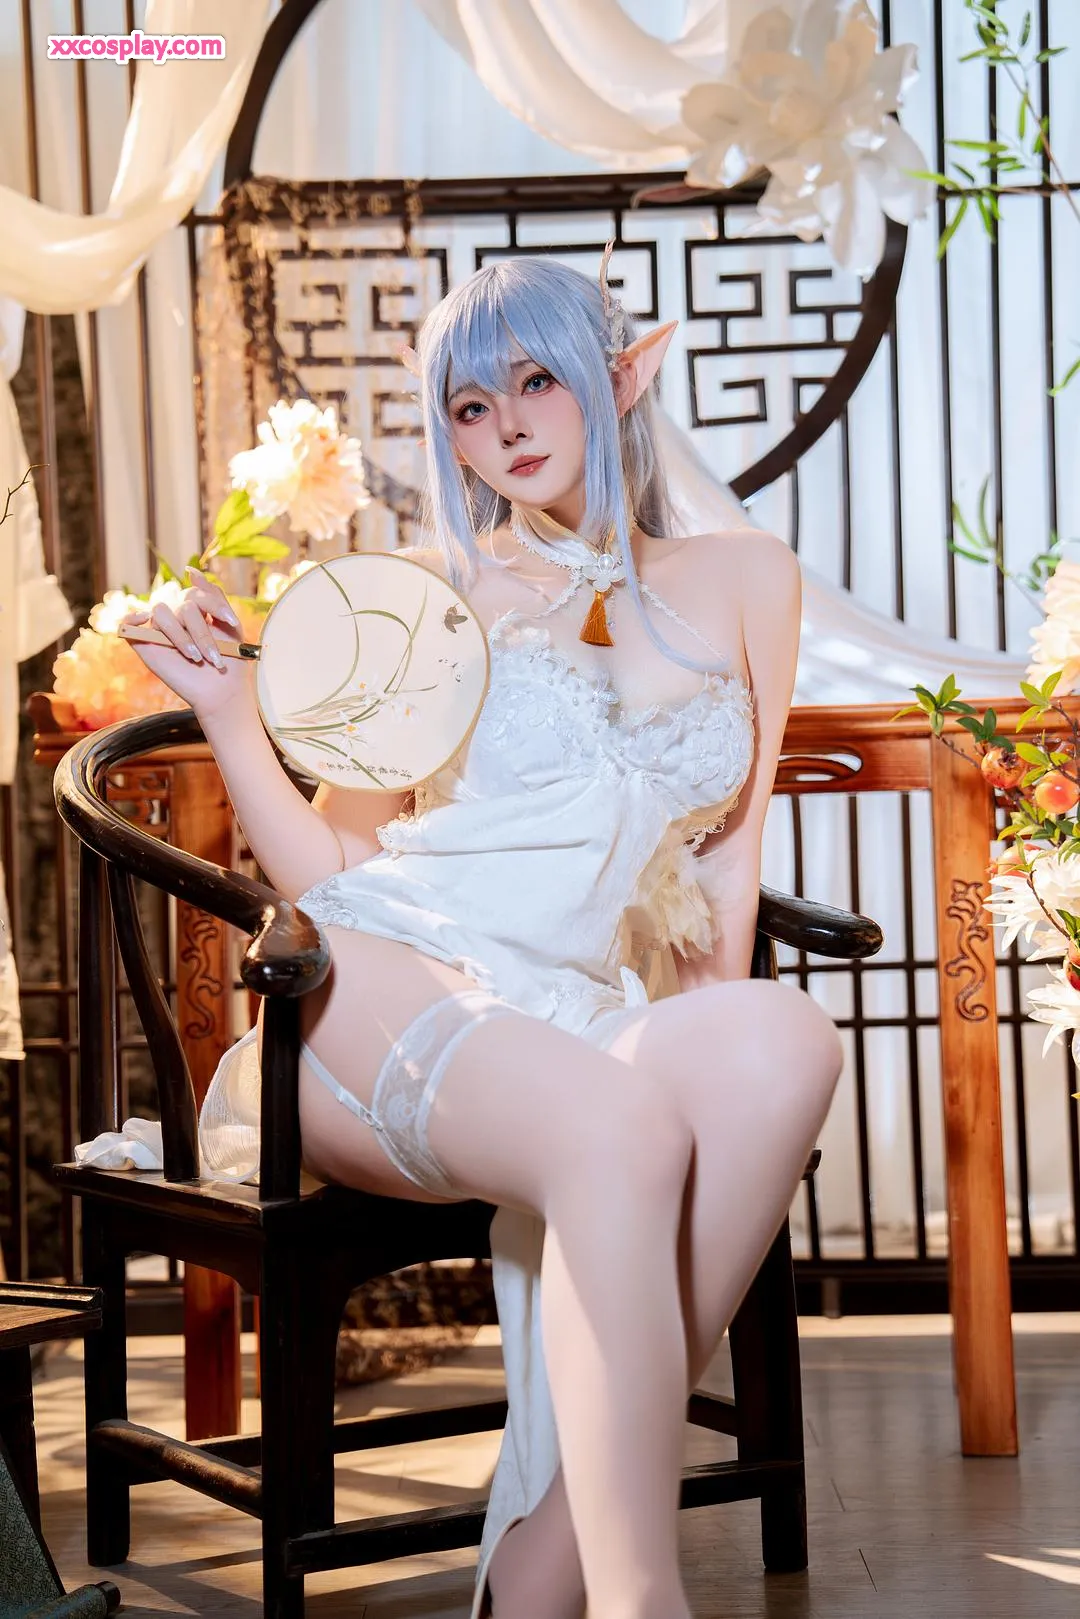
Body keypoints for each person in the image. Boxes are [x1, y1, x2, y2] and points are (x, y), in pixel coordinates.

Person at [123, 254, 843, 1619]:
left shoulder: (750, 577)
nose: (506, 423)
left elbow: (730, 852)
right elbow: (334, 866)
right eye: (468, 404)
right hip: (387, 985)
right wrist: (227, 714)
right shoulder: (429, 597)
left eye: (536, 379)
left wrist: (705, 1047)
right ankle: (640, 1602)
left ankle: (542, 1565)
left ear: (622, 377)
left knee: (783, 1043)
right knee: (624, 1129)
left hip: (570, 1010)